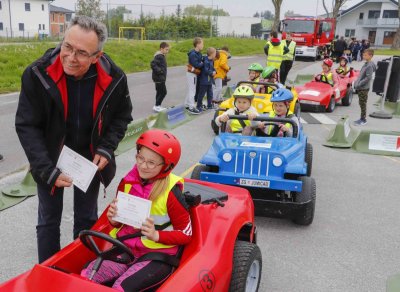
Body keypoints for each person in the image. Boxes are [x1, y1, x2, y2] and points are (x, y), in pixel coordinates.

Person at [15, 16, 133, 263]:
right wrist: (46, 170)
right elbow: (27, 126)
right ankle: (49, 273)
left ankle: (85, 269)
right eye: (66, 46)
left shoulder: (116, 78)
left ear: (96, 57)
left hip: (89, 160)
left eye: (81, 53)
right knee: (48, 220)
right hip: (49, 158)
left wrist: (107, 147)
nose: (70, 57)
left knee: (86, 219)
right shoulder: (37, 74)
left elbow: (123, 116)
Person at [80, 129, 191, 291]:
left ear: (166, 165)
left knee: (121, 288)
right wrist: (114, 220)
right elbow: (119, 225)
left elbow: (186, 234)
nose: (143, 166)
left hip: (156, 255)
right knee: (86, 277)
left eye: (151, 163)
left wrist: (156, 235)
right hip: (126, 249)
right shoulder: (127, 182)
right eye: (140, 158)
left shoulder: (171, 193)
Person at [353, 49, 376, 126]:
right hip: (361, 87)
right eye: (363, 55)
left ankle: (363, 119)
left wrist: (359, 84)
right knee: (361, 103)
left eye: (365, 55)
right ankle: (362, 118)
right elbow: (361, 75)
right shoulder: (367, 64)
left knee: (363, 104)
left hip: (363, 88)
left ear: (370, 56)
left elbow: (368, 78)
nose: (363, 56)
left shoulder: (369, 65)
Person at [185, 37, 204, 115]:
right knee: (192, 90)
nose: (203, 45)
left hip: (194, 73)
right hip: (191, 73)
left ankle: (187, 104)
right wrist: (202, 63)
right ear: (197, 44)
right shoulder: (193, 54)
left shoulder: (198, 53)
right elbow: (196, 64)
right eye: (202, 44)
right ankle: (191, 107)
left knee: (191, 89)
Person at [151, 42, 170, 112]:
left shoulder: (161, 55)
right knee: (163, 92)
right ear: (161, 49)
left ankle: (157, 106)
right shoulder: (159, 56)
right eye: (166, 49)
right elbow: (152, 64)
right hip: (159, 78)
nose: (167, 51)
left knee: (159, 92)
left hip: (159, 78)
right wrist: (160, 71)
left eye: (168, 50)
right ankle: (157, 105)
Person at [196, 47, 217, 112]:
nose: (215, 54)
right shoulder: (206, 61)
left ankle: (209, 105)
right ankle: (199, 106)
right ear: (212, 54)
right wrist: (212, 73)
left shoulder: (211, 61)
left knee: (210, 93)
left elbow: (212, 68)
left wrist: (214, 71)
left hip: (209, 81)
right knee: (201, 94)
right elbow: (206, 70)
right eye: (215, 53)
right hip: (204, 81)